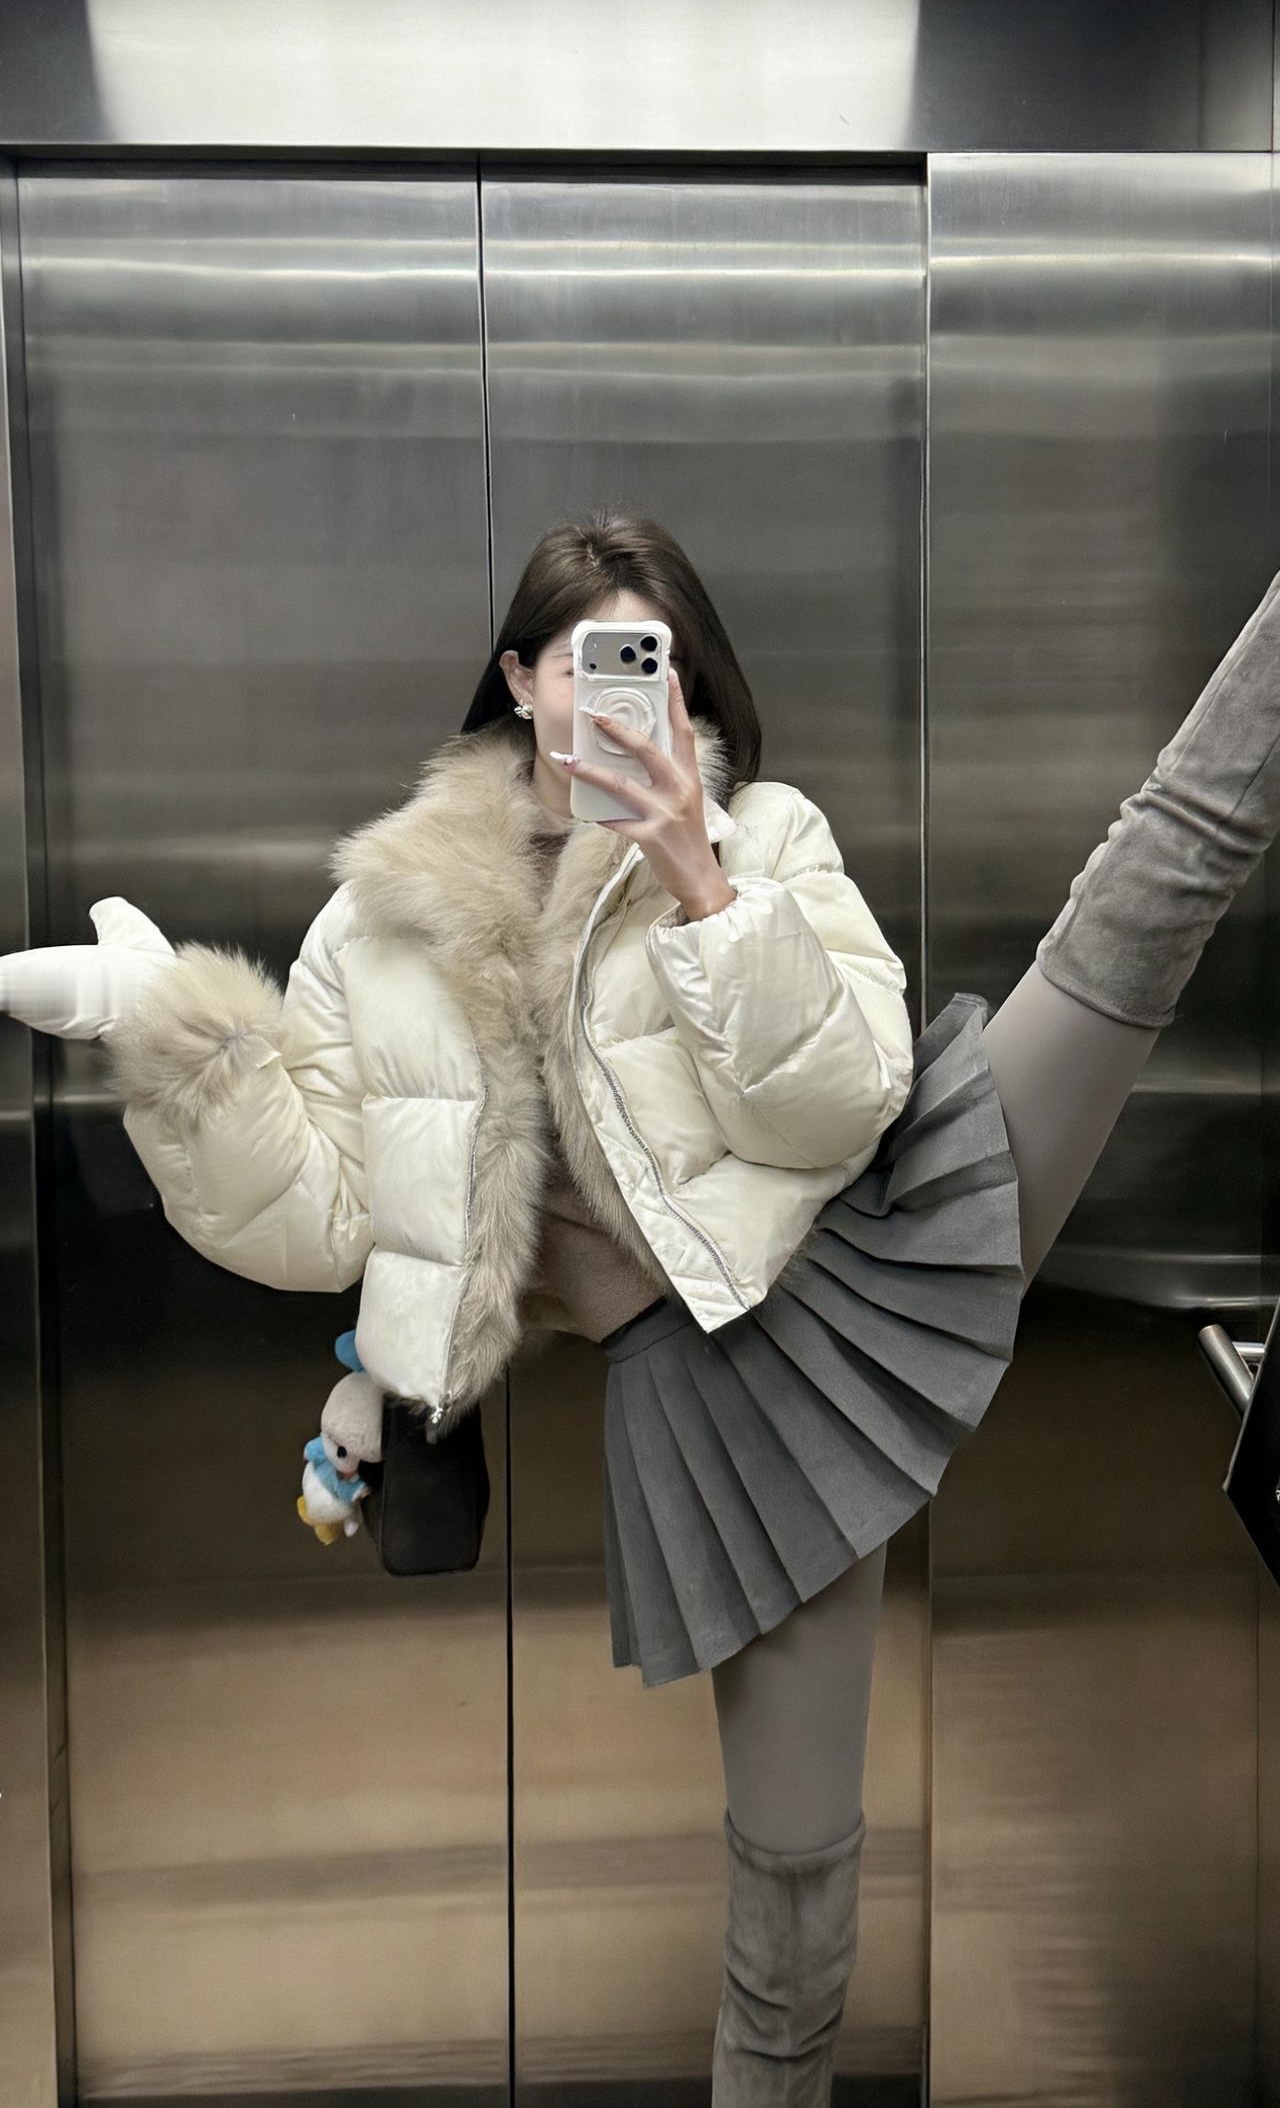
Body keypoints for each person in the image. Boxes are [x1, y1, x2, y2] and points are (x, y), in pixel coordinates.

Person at [4, 513, 1279, 2107]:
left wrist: (700, 877)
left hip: (883, 1236)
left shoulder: (768, 834)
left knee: (1154, 882)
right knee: (791, 1869)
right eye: (585, 659)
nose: (617, 692)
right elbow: (325, 1219)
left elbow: (843, 1104)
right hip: (721, 1401)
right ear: (520, 677)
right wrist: (178, 1041)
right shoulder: (377, 928)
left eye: (652, 662)